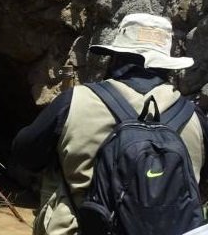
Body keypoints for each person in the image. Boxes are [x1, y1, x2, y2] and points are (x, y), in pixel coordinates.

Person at [12, 13, 207, 235]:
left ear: (116, 58)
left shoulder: (75, 102)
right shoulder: (195, 118)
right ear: (167, 66)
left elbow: (25, 155)